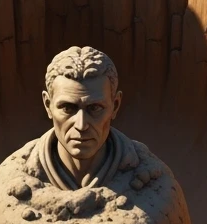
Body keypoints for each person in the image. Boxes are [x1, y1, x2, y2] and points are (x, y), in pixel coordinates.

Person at [32, 45, 135, 190]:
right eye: (67, 108)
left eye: (94, 108)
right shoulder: (10, 184)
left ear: (115, 105)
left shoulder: (155, 187)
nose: (81, 125)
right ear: (48, 105)